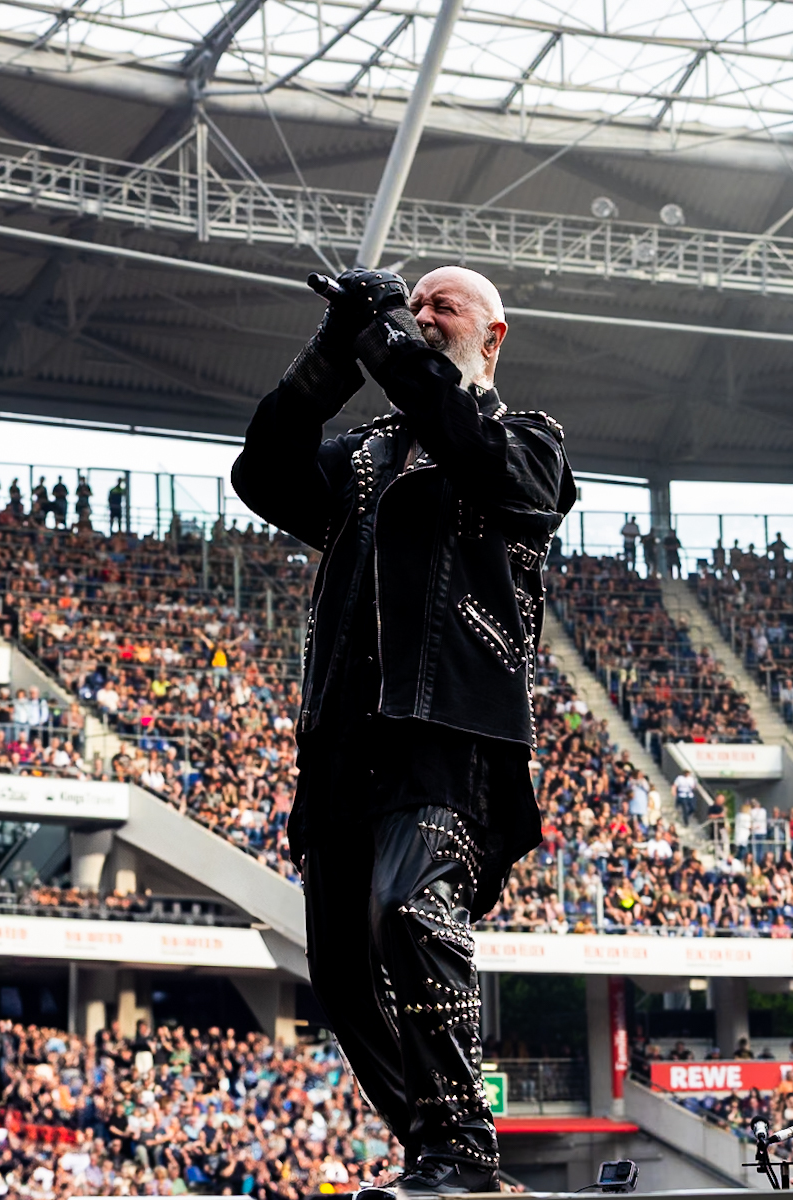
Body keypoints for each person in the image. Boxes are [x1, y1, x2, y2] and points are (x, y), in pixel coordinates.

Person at [232, 264, 574, 1194]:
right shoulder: (364, 456)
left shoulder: (526, 440)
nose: (421, 317)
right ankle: (431, 1151)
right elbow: (262, 473)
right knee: (344, 973)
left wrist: (384, 335)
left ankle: (462, 1148)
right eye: (410, 303)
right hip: (343, 740)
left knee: (411, 911)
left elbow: (478, 455)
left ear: (492, 336)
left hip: (447, 729)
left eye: (440, 307)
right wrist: (330, 352)